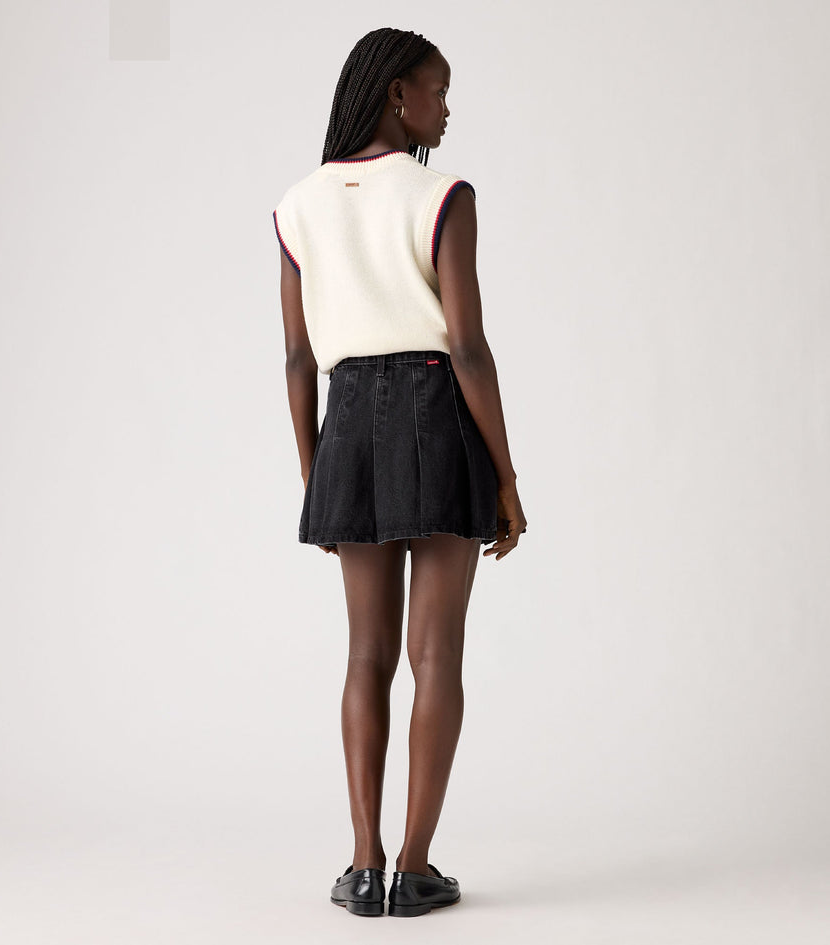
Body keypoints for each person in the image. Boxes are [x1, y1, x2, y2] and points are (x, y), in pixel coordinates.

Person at [272, 27, 527, 918]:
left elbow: (298, 359)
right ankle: (416, 868)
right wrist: (507, 477)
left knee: (366, 654)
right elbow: (468, 346)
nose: (446, 109)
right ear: (396, 94)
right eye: (438, 90)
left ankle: (361, 865)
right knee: (434, 651)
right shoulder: (443, 195)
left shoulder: (297, 205)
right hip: (435, 407)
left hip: (346, 423)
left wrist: (316, 476)